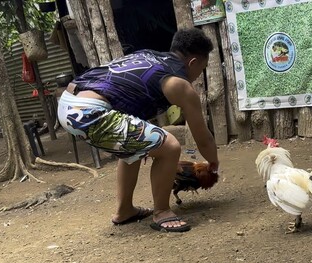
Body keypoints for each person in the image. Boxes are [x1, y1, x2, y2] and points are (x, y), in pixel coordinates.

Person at [57, 28, 219, 233]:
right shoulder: (180, 84)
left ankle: (124, 210)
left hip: (68, 102)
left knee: (134, 147)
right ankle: (162, 212)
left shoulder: (147, 55)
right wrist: (213, 166)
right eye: (201, 69)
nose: (197, 76)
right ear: (193, 63)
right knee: (169, 146)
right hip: (87, 113)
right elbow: (203, 139)